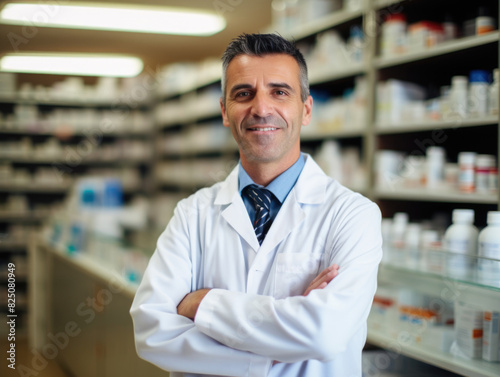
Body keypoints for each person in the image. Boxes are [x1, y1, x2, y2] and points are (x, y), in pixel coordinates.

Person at [130, 33, 382, 377]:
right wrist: (279, 345)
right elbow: (151, 331)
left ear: (305, 109)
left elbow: (324, 333)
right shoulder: (192, 214)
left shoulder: (353, 215)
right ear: (224, 111)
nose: (261, 109)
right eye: (243, 94)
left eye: (279, 92)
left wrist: (202, 304)